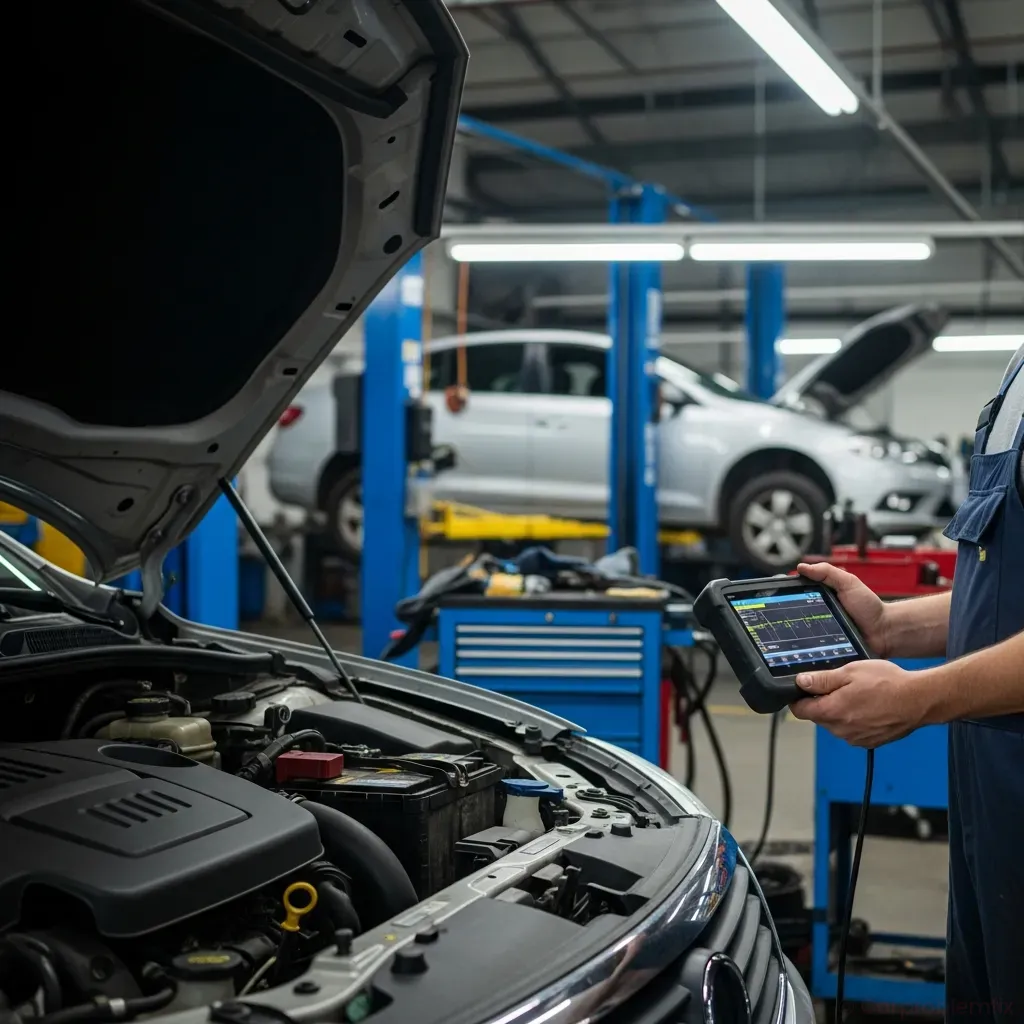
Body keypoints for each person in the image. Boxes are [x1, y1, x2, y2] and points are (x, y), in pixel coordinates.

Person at [790, 342, 1024, 1022]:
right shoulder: (1017, 372)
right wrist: (891, 627)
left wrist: (918, 698)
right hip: (989, 806)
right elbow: (1003, 595)